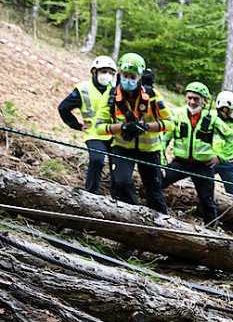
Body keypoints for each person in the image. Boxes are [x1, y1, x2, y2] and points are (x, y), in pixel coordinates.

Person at [98, 52, 172, 213]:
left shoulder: (152, 96)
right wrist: (122, 127)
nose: (128, 80)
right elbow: (99, 127)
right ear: (119, 74)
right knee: (121, 183)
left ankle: (162, 226)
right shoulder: (111, 96)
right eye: (125, 75)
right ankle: (135, 215)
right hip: (122, 147)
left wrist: (146, 126)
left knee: (154, 191)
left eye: (133, 76)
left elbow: (169, 124)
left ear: (140, 77)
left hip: (149, 150)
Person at [161, 81, 222, 223]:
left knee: (207, 200)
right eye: (189, 98)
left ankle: (212, 231)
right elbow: (164, 139)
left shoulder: (212, 118)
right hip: (180, 163)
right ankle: (159, 217)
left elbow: (231, 138)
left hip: (202, 166)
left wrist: (220, 157)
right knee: (157, 183)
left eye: (196, 99)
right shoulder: (177, 114)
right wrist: (161, 162)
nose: (192, 102)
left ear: (204, 100)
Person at [57, 55, 116, 194]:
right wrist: (77, 125)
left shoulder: (116, 89)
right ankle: (91, 193)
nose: (106, 75)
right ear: (94, 72)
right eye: (103, 71)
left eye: (110, 72)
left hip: (113, 132)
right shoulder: (82, 89)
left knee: (117, 165)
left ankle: (117, 197)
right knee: (97, 160)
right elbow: (63, 108)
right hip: (94, 133)